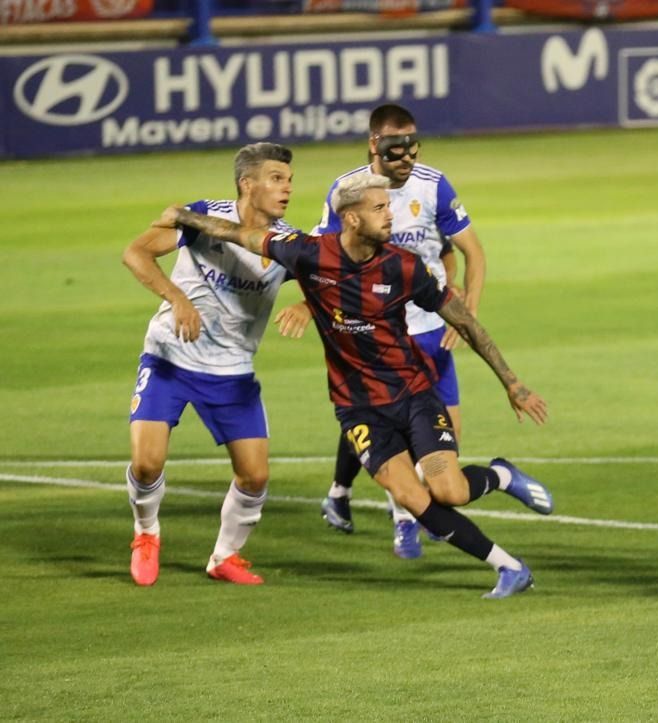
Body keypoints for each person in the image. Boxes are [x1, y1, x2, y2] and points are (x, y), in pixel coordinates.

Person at [156, 172, 554, 599]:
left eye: (389, 206)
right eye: (379, 208)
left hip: (413, 395)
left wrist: (512, 383)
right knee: (411, 498)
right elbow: (242, 234)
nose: (391, 214)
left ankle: (499, 474)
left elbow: (465, 322)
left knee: (449, 491)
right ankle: (509, 568)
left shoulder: (404, 266)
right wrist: (184, 215)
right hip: (358, 409)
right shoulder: (308, 254)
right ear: (350, 219)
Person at [311, 103, 497, 557]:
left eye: (415, 144)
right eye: (399, 146)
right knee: (382, 428)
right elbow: (325, 257)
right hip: (376, 329)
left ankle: (347, 493)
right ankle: (404, 521)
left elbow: (464, 251)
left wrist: (465, 314)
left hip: (432, 325)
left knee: (440, 441)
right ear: (375, 144)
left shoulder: (433, 185)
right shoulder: (350, 191)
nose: (409, 154)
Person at [122, 142, 310, 587]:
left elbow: (335, 284)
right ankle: (146, 533)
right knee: (147, 464)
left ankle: (225, 556)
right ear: (248, 183)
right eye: (276, 179)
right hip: (171, 356)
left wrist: (306, 305)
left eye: (289, 180)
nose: (287, 189)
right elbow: (136, 253)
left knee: (255, 475)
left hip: (231, 372)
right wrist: (178, 298)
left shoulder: (289, 242)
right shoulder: (205, 216)